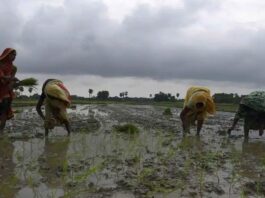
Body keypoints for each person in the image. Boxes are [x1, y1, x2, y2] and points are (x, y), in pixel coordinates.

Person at [0, 48, 19, 133]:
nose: (14, 56)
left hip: (6, 90)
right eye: (12, 54)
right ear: (7, 55)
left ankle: (1, 131)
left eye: (15, 55)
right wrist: (11, 78)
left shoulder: (14, 68)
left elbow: (10, 81)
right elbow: (2, 76)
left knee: (4, 110)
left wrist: (13, 83)